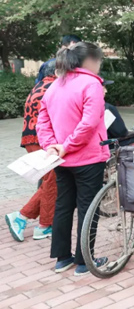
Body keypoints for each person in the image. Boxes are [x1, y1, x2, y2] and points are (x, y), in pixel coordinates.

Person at [36, 42, 110, 276]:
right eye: (99, 61)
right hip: (88, 158)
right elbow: (89, 123)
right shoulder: (91, 84)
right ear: (90, 60)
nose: (99, 65)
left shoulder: (55, 85)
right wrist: (66, 146)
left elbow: (42, 121)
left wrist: (52, 146)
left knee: (63, 206)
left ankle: (62, 258)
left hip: (61, 159)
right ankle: (84, 261)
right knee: (88, 209)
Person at [5, 61, 58, 243]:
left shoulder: (39, 85)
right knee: (52, 182)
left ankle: (23, 217)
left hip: (31, 140)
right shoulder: (54, 87)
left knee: (49, 181)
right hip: (43, 140)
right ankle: (41, 225)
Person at [103, 81, 134, 146]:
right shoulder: (107, 108)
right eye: (104, 88)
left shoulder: (90, 106)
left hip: (94, 143)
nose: (106, 91)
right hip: (107, 144)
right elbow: (120, 132)